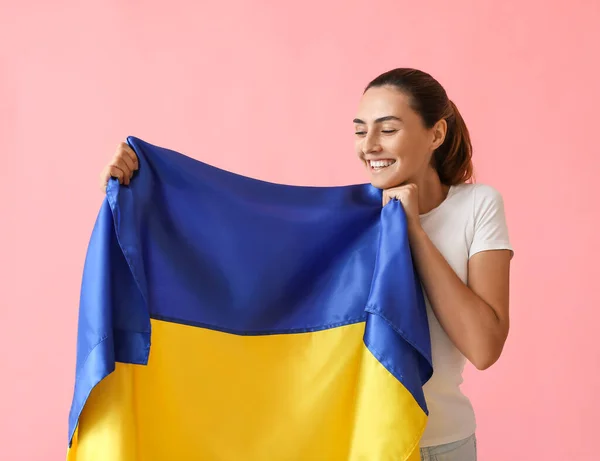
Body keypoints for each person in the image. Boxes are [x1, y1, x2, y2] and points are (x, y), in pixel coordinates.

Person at [100, 67, 513, 461]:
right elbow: (243, 240)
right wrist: (141, 189)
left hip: (444, 446)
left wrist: (415, 233)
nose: (369, 145)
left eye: (387, 129)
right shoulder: (350, 220)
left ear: (436, 133)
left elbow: (483, 347)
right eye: (359, 130)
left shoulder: (477, 206)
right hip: (357, 442)